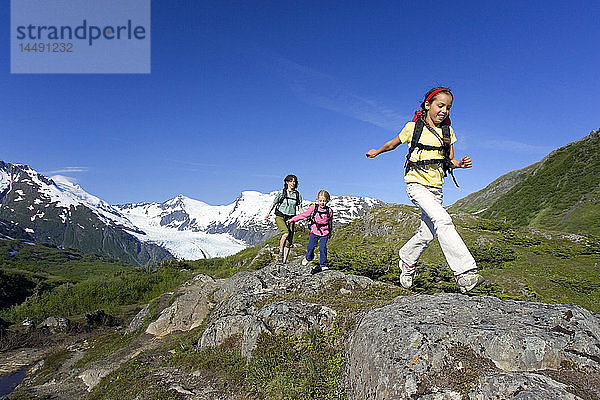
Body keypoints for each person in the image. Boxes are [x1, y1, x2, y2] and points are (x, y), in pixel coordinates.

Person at [365, 87, 485, 293]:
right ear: (428, 105)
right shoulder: (412, 128)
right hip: (416, 184)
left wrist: (459, 164)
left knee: (427, 235)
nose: (444, 111)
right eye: (440, 105)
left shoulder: (448, 132)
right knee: (444, 220)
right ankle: (465, 274)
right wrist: (377, 151)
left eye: (448, 107)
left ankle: (407, 260)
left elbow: (449, 160)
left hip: (436, 188)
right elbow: (392, 144)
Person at [288, 190, 333, 274]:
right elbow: (303, 215)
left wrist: (330, 232)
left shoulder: (329, 210)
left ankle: (323, 265)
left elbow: (330, 222)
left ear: (327, 201)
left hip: (325, 232)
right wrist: (292, 219)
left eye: (324, 201)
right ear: (317, 200)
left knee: (322, 248)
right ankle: (308, 257)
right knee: (310, 247)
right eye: (320, 201)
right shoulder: (313, 208)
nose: (322, 203)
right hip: (315, 230)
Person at [265, 174, 303, 263]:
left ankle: (284, 261)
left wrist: (305, 215)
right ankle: (280, 253)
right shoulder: (281, 193)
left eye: (294, 181)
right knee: (285, 233)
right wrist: (268, 213)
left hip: (291, 218)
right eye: (291, 181)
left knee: (289, 241)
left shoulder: (297, 195)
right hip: (280, 216)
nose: (293, 183)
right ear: (287, 182)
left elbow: (300, 208)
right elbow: (274, 203)